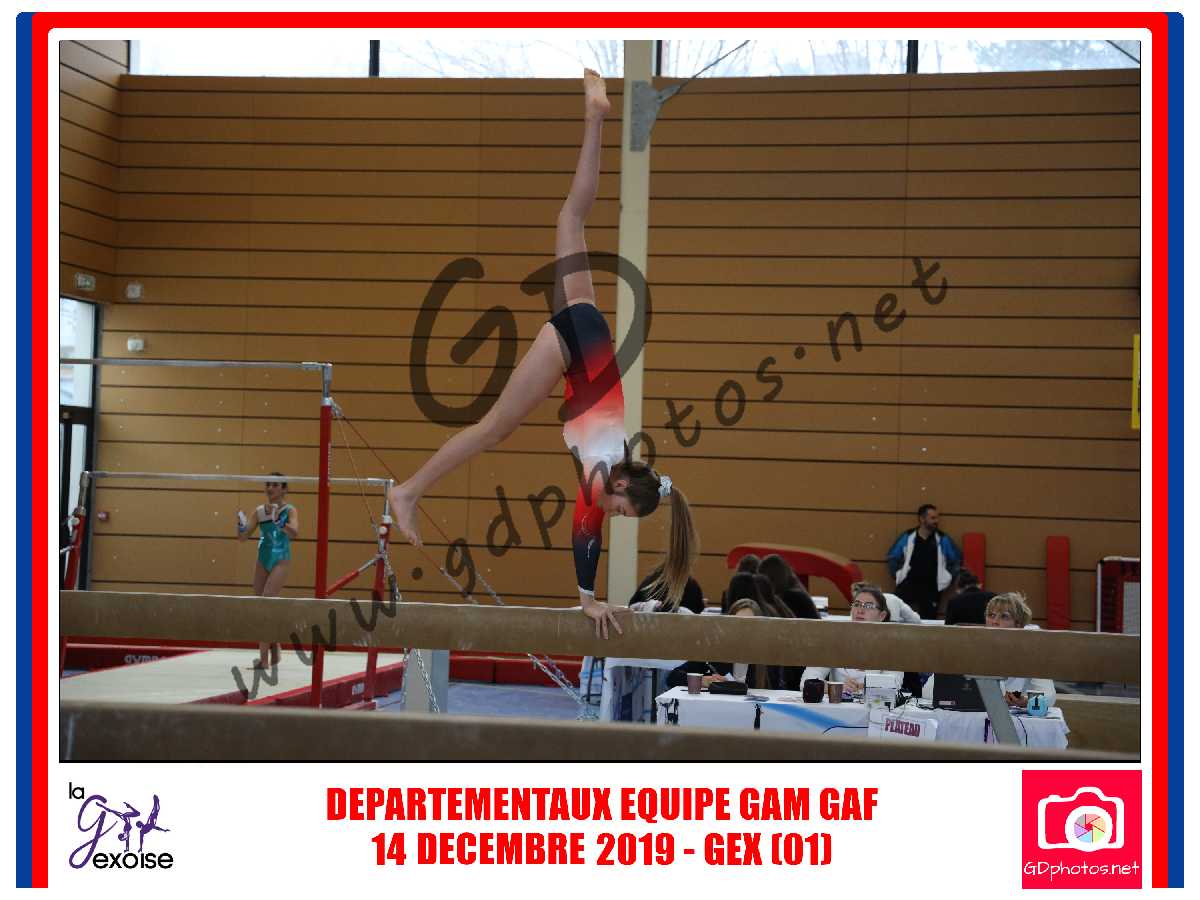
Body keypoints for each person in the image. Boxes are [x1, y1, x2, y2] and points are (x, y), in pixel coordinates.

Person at [386, 70, 697, 639]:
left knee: (571, 217)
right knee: (491, 429)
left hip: (591, 327)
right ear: (622, 488)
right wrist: (587, 599)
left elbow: (594, 520)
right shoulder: (602, 470)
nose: (612, 514)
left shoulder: (617, 456)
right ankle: (407, 491)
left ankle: (595, 115)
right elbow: (584, 528)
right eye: (621, 511)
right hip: (574, 343)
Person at [922, 591, 1057, 708]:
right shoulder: (967, 648)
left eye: (1004, 616)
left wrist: (1026, 701)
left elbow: (1049, 697)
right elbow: (927, 691)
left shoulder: (1032, 652)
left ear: (1018, 624)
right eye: (991, 615)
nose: (995, 621)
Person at [237, 473, 299, 670]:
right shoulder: (259, 512)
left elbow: (294, 533)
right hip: (263, 559)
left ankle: (264, 660)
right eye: (268, 484)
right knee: (262, 607)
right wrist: (240, 525)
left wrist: (280, 522)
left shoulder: (290, 510)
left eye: (275, 485)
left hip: (281, 559)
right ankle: (275, 645)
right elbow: (243, 537)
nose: (270, 488)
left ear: (284, 489)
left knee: (266, 604)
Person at [803, 583, 903, 694]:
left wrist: (865, 687)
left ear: (882, 616)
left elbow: (894, 686)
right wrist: (835, 687)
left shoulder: (891, 646)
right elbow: (806, 682)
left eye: (868, 606)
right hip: (837, 703)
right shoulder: (833, 640)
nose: (860, 610)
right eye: (857, 604)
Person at [886, 503, 961, 619]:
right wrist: (897, 574)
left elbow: (956, 560)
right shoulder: (908, 536)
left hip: (932, 588)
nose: (936, 521)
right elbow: (893, 557)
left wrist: (948, 578)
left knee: (929, 620)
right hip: (908, 584)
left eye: (937, 518)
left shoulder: (942, 539)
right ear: (922, 519)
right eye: (933, 518)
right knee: (895, 613)